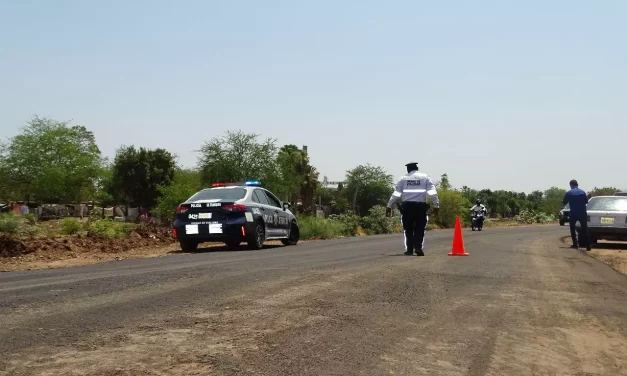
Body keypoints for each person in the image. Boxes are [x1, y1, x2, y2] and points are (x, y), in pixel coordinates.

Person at [386, 162, 439, 256]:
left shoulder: (403, 179)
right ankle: (418, 247)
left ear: (408, 169)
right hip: (420, 207)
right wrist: (436, 206)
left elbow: (396, 194)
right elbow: (432, 193)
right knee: (420, 228)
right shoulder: (425, 177)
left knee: (408, 228)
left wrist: (389, 206)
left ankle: (409, 249)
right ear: (417, 168)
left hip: (407, 207)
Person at [562, 179, 590, 251]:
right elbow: (586, 202)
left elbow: (564, 202)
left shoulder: (569, 192)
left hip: (573, 212)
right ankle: (588, 245)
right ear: (577, 185)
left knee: (572, 228)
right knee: (585, 228)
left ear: (571, 185)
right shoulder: (583, 192)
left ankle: (575, 244)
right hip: (582, 212)